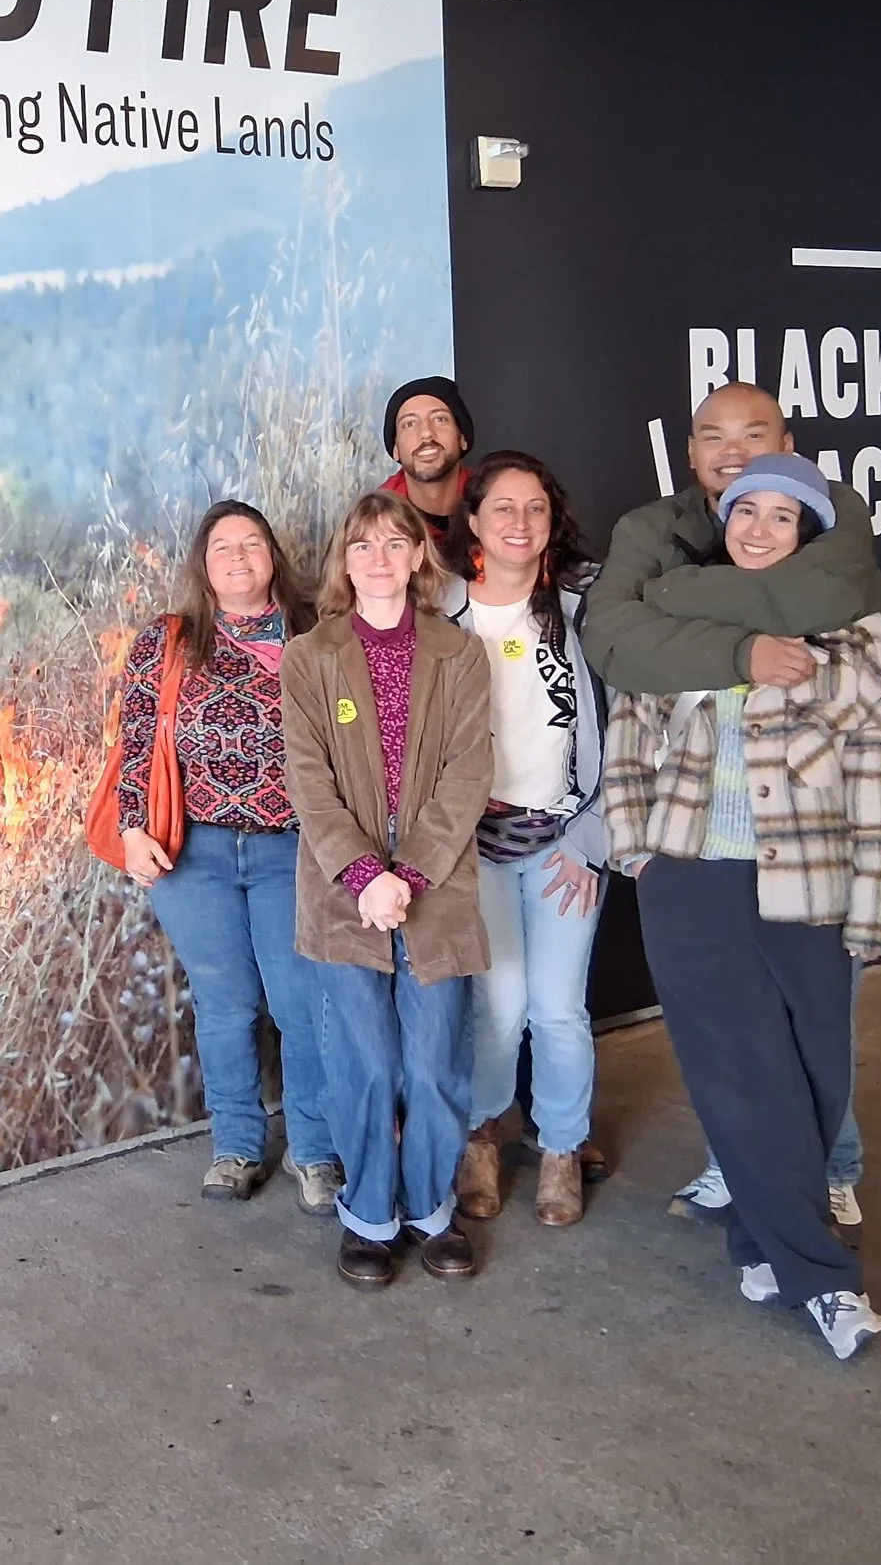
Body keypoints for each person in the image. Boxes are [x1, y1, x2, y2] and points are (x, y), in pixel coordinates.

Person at [603, 454, 881, 1360]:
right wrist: (640, 852)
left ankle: (759, 1239)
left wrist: (880, 911)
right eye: (748, 511)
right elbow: (629, 736)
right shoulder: (675, 612)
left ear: (808, 537)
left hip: (811, 883)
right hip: (693, 875)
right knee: (743, 1078)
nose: (759, 529)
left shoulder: (852, 629)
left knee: (817, 1076)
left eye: (784, 517)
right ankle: (826, 1280)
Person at [582, 381, 881, 1241]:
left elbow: (824, 603)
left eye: (753, 434)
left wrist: (675, 599)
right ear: (690, 452)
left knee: (817, 1028)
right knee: (731, 1029)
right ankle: (747, 1161)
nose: (732, 450)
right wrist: (745, 648)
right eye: (713, 436)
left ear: (785, 440)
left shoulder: (833, 512)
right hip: (707, 838)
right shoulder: (652, 529)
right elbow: (614, 641)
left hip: (811, 838)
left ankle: (830, 1171)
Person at [282, 492, 495, 1286]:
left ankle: (431, 1209)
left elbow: (471, 770)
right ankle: (371, 1214)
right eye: (363, 544)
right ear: (346, 559)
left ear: (417, 557)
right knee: (365, 1061)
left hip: (435, 880)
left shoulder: (458, 652)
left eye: (394, 543)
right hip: (344, 886)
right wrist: (367, 875)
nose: (378, 557)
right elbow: (308, 779)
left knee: (435, 1056)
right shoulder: (312, 655)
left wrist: (410, 874)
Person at [115, 502, 338, 1213]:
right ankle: (237, 1146)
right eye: (222, 546)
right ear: (202, 565)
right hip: (196, 851)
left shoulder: (317, 633)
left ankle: (316, 1150)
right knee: (225, 1003)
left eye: (251, 542)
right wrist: (130, 828)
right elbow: (137, 738)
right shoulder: (170, 640)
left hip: (293, 849)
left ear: (273, 553)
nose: (238, 556)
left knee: (301, 1003)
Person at [439, 452, 610, 1229]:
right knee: (498, 1003)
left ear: (553, 521)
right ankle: (482, 1135)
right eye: (501, 507)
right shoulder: (441, 614)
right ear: (471, 520)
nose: (518, 521)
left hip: (561, 842)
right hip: (472, 846)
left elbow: (629, 727)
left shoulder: (584, 608)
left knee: (559, 1008)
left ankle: (562, 1148)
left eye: (534, 507)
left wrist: (592, 838)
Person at [380, 375, 473, 529]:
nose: (426, 433)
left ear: (462, 438)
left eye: (439, 419)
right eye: (409, 424)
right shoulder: (375, 522)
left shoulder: (491, 501)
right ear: (395, 449)